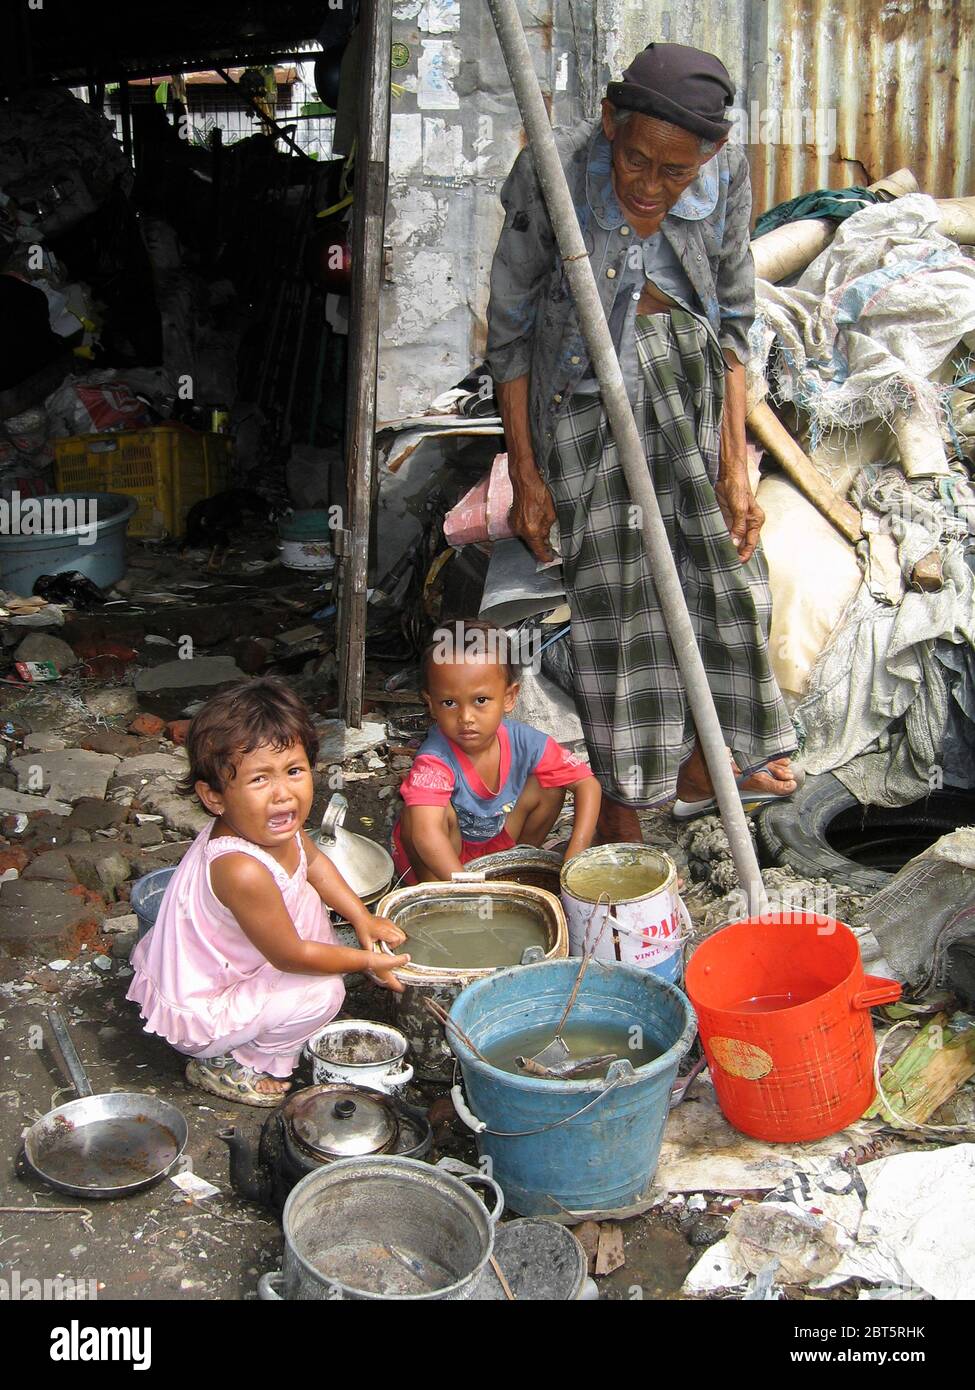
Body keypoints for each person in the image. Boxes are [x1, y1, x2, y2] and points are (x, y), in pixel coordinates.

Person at [485, 41, 799, 843]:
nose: (649, 186)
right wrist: (525, 470)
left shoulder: (725, 177)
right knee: (619, 615)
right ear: (608, 124)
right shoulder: (549, 172)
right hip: (585, 404)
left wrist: (735, 466)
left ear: (712, 155)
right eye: (634, 159)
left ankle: (703, 767)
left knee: (727, 586)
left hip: (688, 399)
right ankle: (627, 803)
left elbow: (733, 323)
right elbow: (512, 330)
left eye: (675, 173)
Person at [127, 679, 409, 1107]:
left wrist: (361, 917)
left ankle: (262, 1027)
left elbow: (315, 864)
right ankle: (237, 1061)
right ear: (215, 798)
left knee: (316, 924)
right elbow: (290, 955)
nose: (283, 793)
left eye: (294, 771)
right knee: (326, 991)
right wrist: (365, 960)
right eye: (260, 779)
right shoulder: (241, 868)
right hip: (206, 1010)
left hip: (234, 966)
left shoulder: (276, 829)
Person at [392, 620, 601, 883]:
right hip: (443, 859)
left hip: (496, 842)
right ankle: (441, 895)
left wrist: (575, 853)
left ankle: (518, 867)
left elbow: (587, 786)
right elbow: (426, 835)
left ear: (510, 697)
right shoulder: (434, 759)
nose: (466, 717)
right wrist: (470, 886)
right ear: (431, 705)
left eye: (480, 700)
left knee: (549, 784)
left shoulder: (525, 741)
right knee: (418, 816)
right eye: (449, 703)